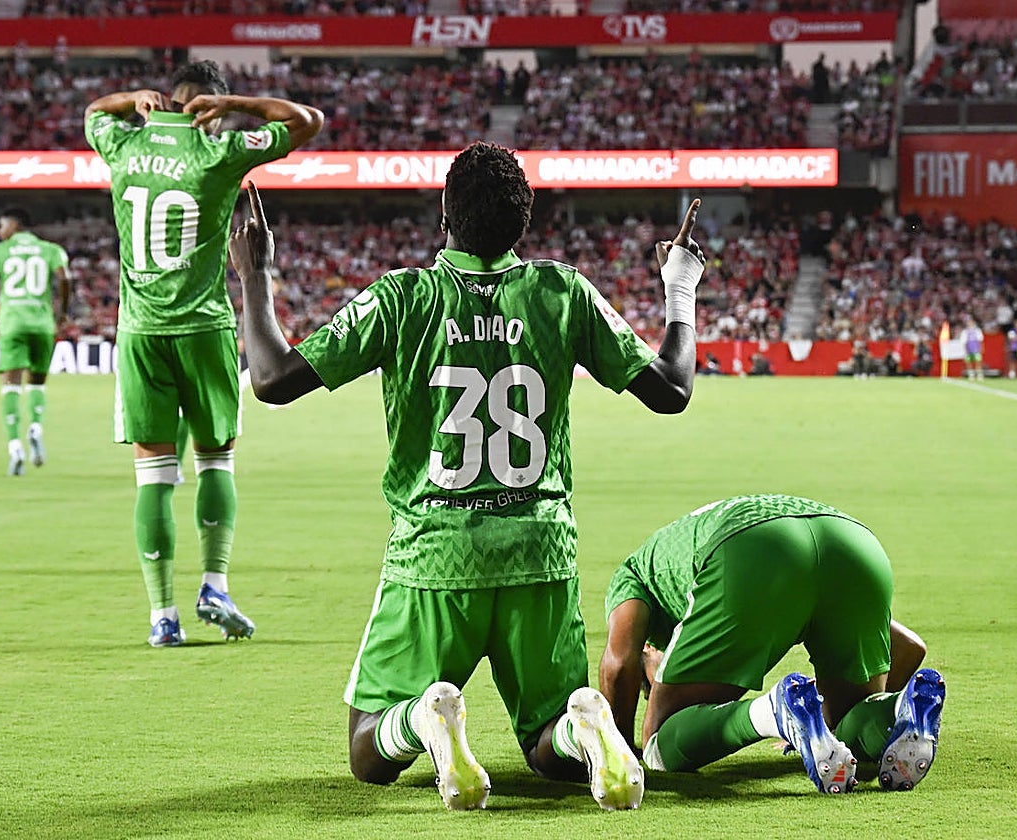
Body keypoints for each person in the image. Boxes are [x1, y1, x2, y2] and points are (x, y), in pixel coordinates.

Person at [230, 142, 707, 811]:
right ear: (524, 224)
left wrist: (255, 276)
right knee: (547, 742)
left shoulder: (403, 298)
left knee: (368, 751)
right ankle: (583, 726)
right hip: (539, 552)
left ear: (444, 214)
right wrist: (679, 284)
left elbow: (274, 379)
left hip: (435, 556)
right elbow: (671, 389)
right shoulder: (562, 292)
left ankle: (423, 719)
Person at [83, 60, 323, 648]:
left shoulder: (122, 146)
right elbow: (308, 120)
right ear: (210, 110)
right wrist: (236, 105)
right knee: (216, 461)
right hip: (204, 327)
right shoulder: (219, 153)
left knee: (152, 475)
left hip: (140, 332)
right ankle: (215, 585)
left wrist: (131, 98)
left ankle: (162, 617)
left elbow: (93, 112)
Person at [600, 494, 946, 795]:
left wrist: (615, 750)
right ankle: (899, 711)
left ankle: (773, 712)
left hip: (753, 551)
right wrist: (829, 717)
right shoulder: (677, 552)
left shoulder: (633, 575)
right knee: (843, 726)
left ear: (649, 649)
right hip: (853, 541)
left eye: (647, 684)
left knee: (659, 747)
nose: (651, 691)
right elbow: (908, 647)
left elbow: (617, 665)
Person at [0, 207, 71, 476]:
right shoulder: (50, 249)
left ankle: (15, 446)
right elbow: (65, 278)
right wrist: (62, 312)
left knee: (11, 385)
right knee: (37, 382)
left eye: (2, 225)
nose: (0, 231)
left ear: (15, 225)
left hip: (12, 324)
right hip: (42, 324)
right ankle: (36, 427)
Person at [960, 316, 984, 380]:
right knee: (969, 362)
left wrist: (981, 348)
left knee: (978, 362)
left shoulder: (977, 330)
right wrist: (964, 350)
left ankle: (979, 374)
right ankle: (971, 374)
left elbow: (980, 340)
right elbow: (963, 342)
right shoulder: (965, 331)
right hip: (968, 349)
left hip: (976, 349)